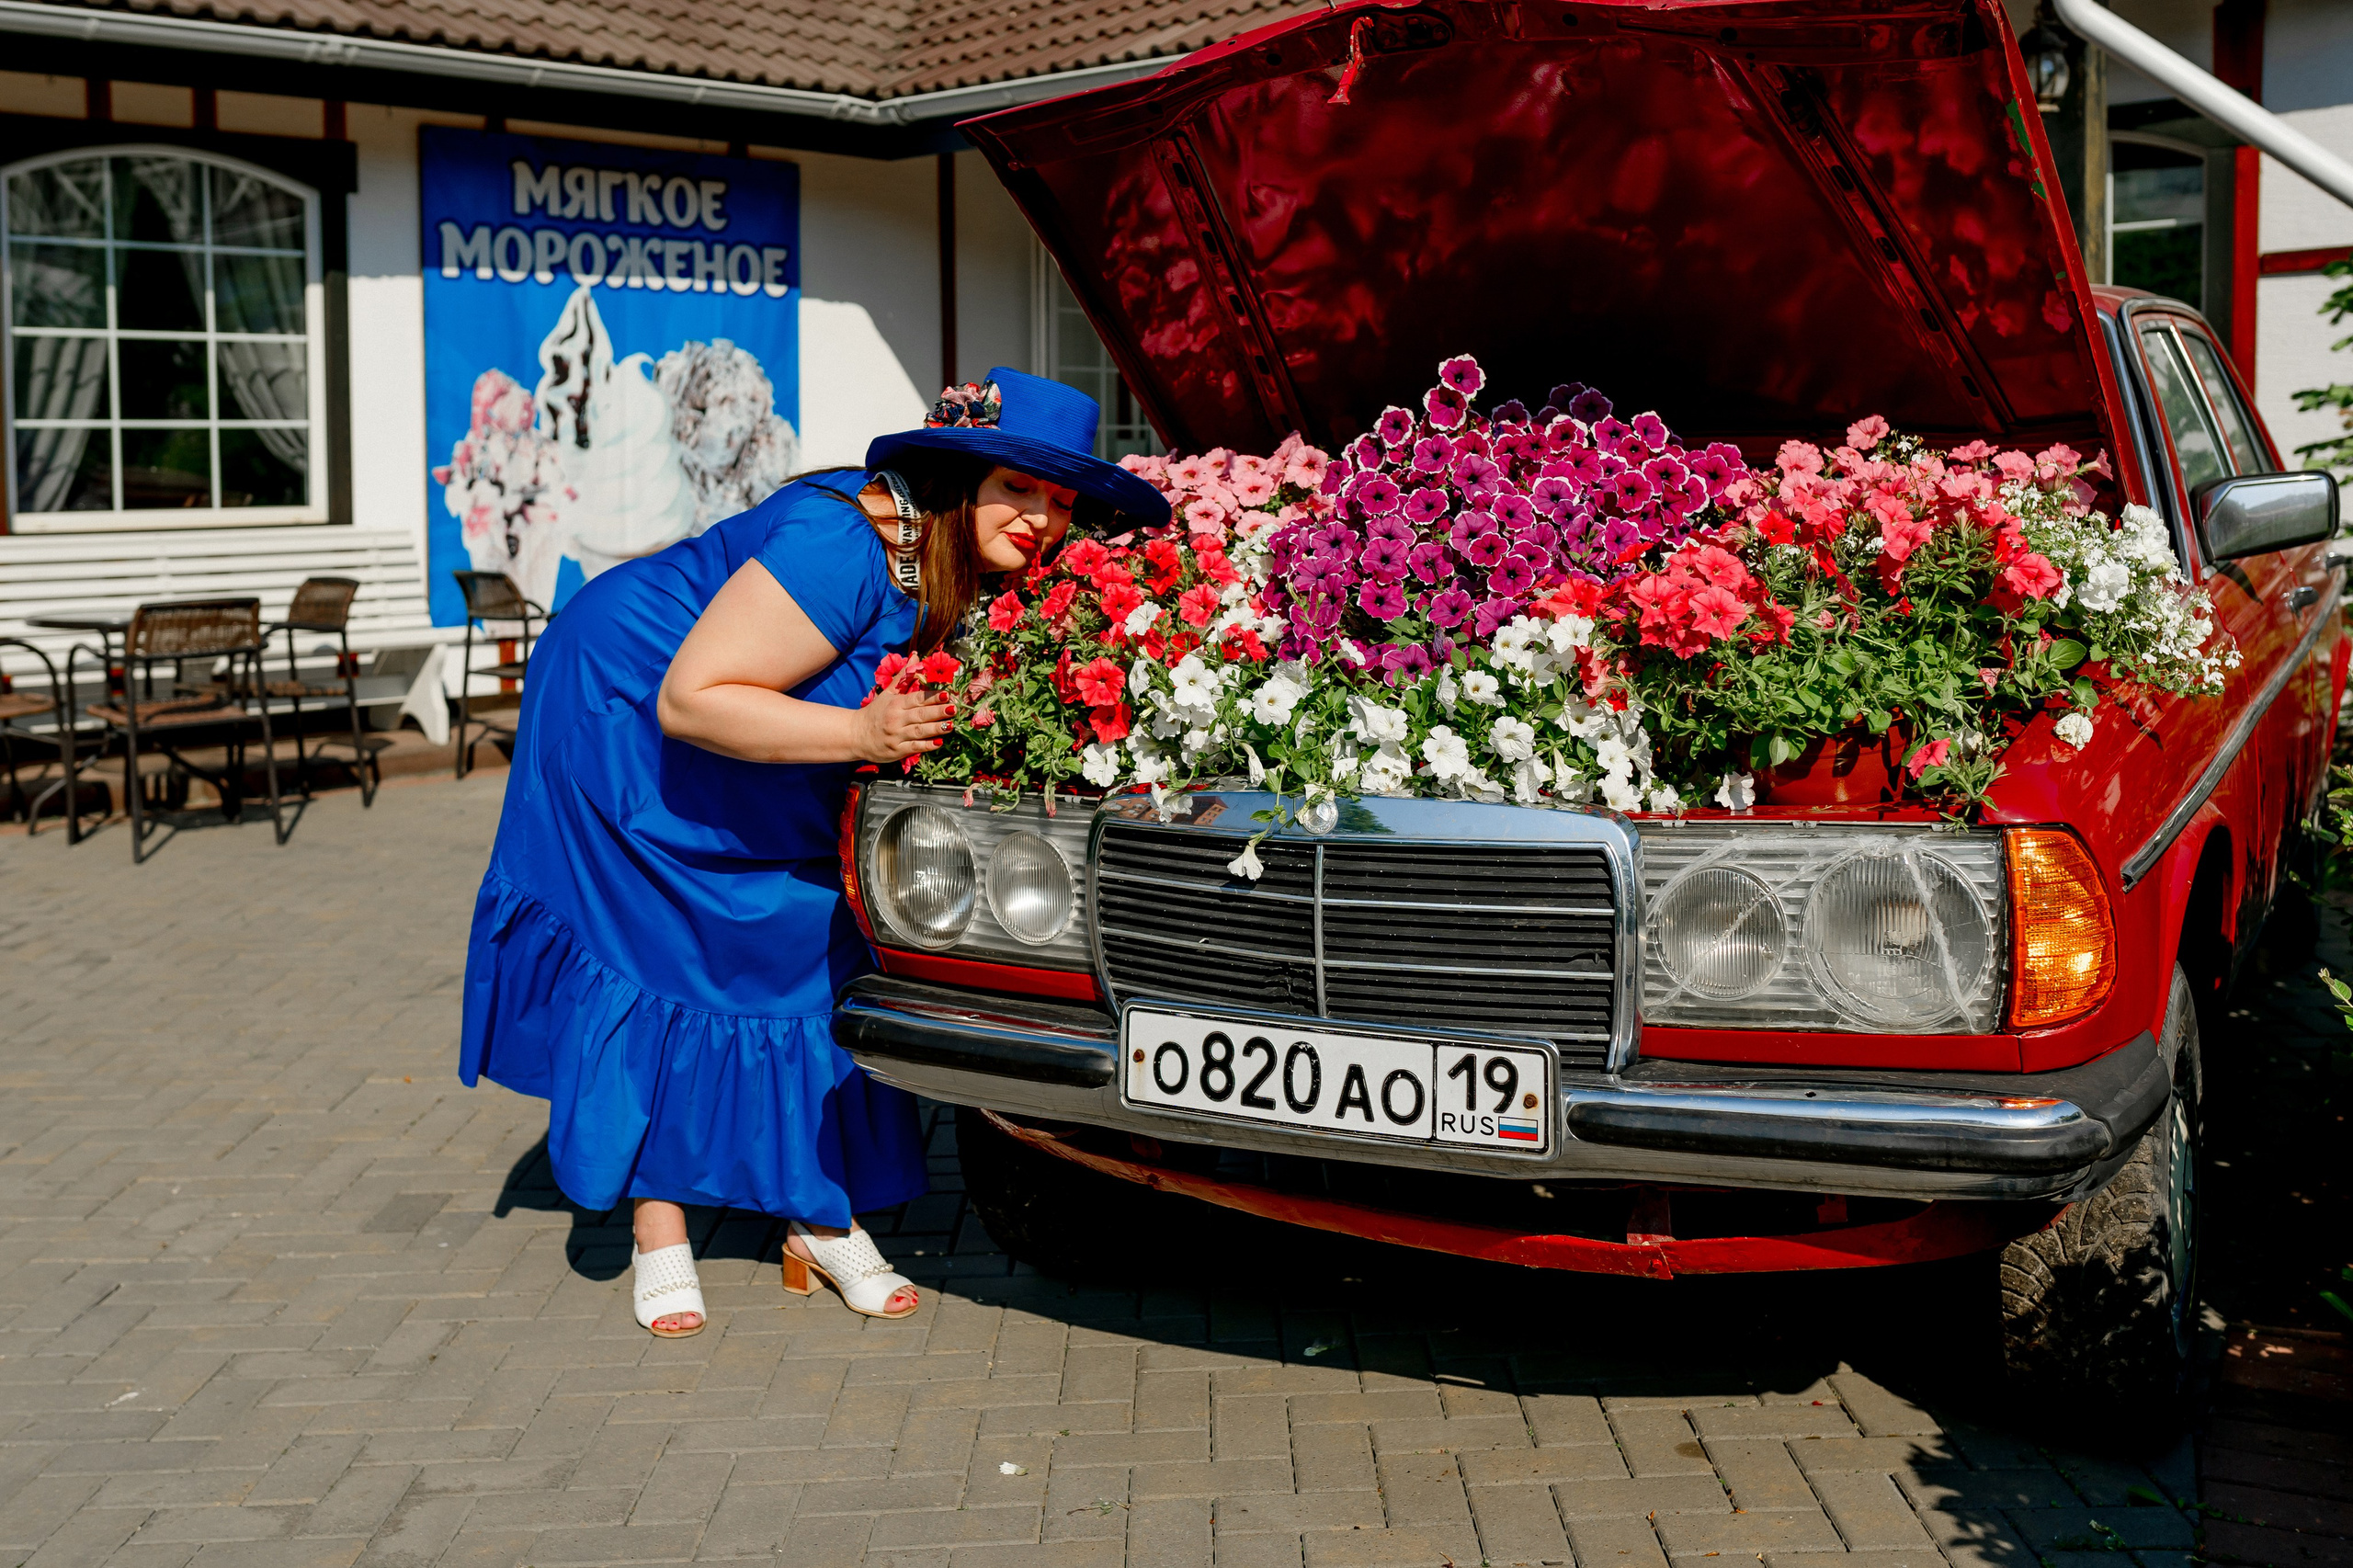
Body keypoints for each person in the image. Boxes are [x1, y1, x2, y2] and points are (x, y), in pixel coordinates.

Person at [459, 368, 1169, 1335]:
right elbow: (691, 699)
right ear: (963, 481)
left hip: (745, 725)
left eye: (1059, 501)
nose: (1041, 518)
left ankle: (815, 1213)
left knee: (803, 938)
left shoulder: (961, 559)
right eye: (1018, 488)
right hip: (620, 711)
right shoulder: (846, 543)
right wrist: (863, 737)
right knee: (664, 950)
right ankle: (658, 1221)